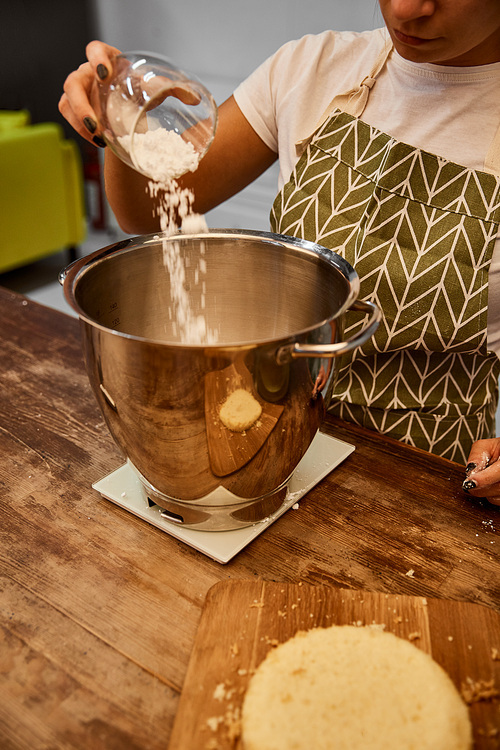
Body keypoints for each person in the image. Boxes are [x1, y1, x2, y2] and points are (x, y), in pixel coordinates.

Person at [59, 0, 500, 502]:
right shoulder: (312, 70)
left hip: (426, 478)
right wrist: (116, 115)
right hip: (267, 438)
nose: (404, 8)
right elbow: (150, 211)